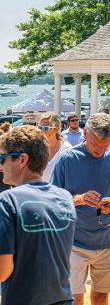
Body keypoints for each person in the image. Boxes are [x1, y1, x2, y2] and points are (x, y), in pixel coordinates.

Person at [52, 113, 110, 305]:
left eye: (106, 144)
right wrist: (78, 199)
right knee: (73, 298)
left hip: (108, 240)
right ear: (85, 133)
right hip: (73, 241)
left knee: (100, 297)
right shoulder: (67, 159)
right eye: (96, 143)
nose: (100, 149)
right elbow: (54, 201)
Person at [0, 125, 76, 305]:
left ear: (22, 160)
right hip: (63, 299)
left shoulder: (7, 201)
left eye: (2, 159)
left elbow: (3, 271)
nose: (0, 166)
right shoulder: (65, 198)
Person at [39, 112, 72, 182]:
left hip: (58, 192)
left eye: (46, 128)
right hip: (39, 191)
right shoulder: (37, 148)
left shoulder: (66, 149)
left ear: (56, 129)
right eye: (40, 128)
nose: (42, 131)